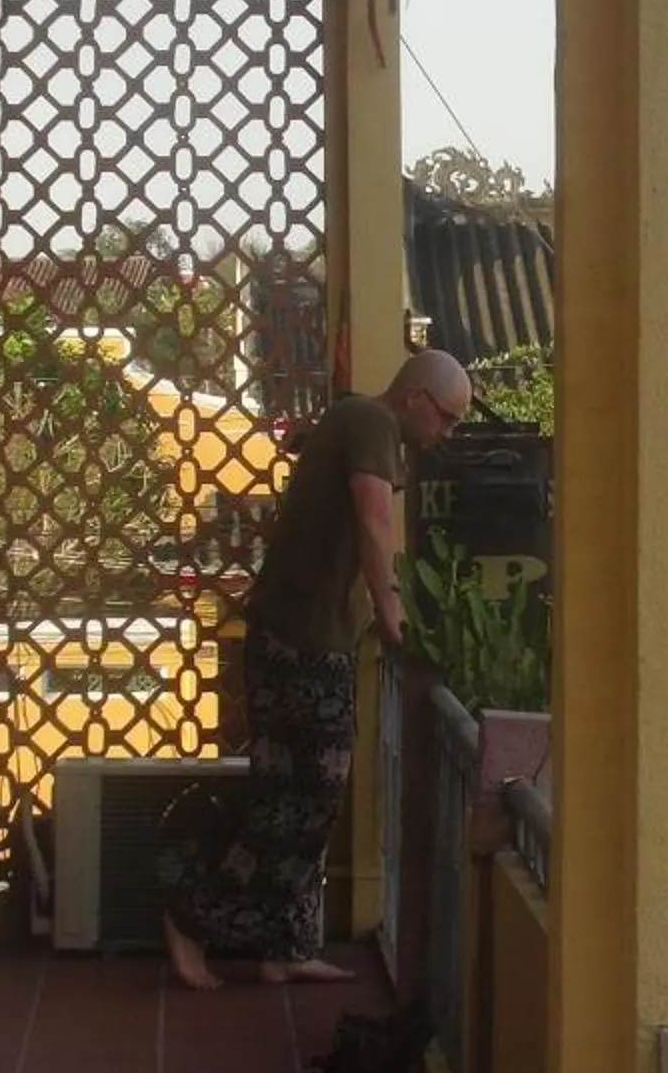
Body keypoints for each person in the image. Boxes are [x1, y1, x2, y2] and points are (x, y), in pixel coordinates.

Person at [157, 348, 472, 988]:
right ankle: (193, 916)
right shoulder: (371, 425)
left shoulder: (363, 424)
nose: (448, 434)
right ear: (415, 398)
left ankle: (286, 945)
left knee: (299, 794)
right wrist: (392, 615)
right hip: (301, 639)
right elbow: (374, 520)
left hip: (300, 634)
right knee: (306, 796)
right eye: (447, 418)